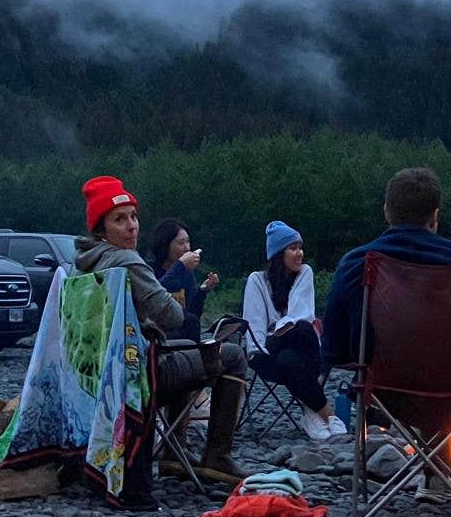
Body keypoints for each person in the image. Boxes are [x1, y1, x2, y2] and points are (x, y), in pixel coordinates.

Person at [323, 167, 451, 500]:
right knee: (440, 363)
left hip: (387, 392)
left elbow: (333, 346)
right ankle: (437, 476)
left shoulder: (357, 262)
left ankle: (429, 478)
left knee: (419, 363)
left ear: (387, 211)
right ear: (435, 216)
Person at [73, 175, 250, 484]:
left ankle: (174, 452)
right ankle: (216, 456)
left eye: (133, 216)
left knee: (187, 353)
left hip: (98, 381)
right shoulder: (125, 260)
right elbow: (172, 316)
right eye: (119, 219)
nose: (131, 226)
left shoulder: (80, 267)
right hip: (139, 379)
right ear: (100, 230)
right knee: (230, 355)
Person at [243, 219, 347, 440]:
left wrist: (283, 330)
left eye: (300, 247)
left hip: (297, 349)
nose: (299, 253)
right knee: (296, 338)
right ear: (279, 253)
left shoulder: (305, 272)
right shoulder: (257, 281)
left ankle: (311, 412)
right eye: (293, 248)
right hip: (267, 350)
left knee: (295, 344)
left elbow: (302, 313)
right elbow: (254, 322)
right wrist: (258, 350)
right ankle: (327, 415)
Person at [148, 217, 219, 342]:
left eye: (188, 242)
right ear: (165, 246)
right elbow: (155, 295)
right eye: (181, 243)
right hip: (158, 335)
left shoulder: (186, 273)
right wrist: (180, 266)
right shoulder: (149, 270)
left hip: (184, 336)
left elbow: (193, 316)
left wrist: (203, 290)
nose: (187, 248)